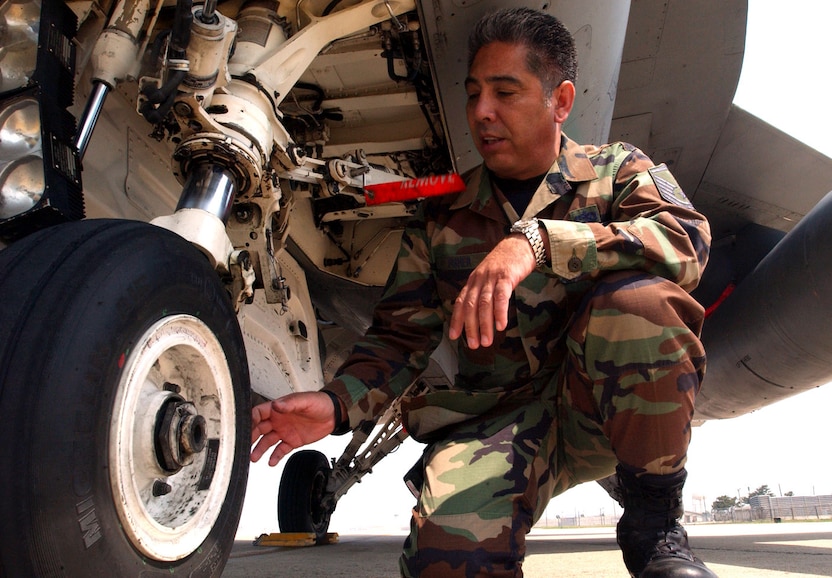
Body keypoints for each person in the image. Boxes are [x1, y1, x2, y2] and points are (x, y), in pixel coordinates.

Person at [251, 7, 716, 578]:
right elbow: (398, 338)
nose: (481, 112)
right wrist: (336, 403)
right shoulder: (442, 216)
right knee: (447, 560)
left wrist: (539, 241)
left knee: (638, 304)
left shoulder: (617, 170)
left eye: (505, 92)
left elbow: (686, 240)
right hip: (498, 420)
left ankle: (655, 527)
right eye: (473, 94)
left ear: (560, 101)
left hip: (596, 408)